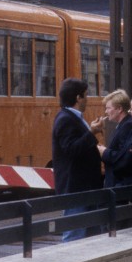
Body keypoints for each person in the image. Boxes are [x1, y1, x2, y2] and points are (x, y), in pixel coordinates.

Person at [52, 78, 104, 241]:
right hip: (76, 187)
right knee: (75, 234)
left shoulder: (73, 117)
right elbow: (71, 149)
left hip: (85, 186)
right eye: (86, 95)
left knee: (90, 234)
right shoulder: (65, 119)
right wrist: (91, 133)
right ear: (78, 98)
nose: (87, 99)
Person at [94, 89, 132, 188]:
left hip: (118, 184)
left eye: (108, 108)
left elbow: (123, 157)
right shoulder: (124, 124)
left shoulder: (127, 125)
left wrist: (104, 152)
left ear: (119, 109)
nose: (106, 111)